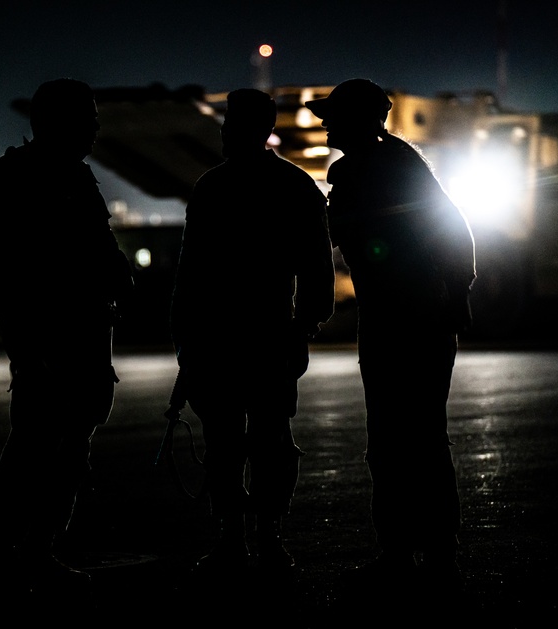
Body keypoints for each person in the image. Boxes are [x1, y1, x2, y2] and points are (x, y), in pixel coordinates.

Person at [305, 79, 476, 590]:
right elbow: (455, 231)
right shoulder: (401, 164)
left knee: (396, 439)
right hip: (418, 319)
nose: (326, 124)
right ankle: (431, 553)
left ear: (359, 120)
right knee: (421, 437)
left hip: (398, 323)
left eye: (333, 116)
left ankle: (406, 553)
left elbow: (340, 236)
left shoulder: (363, 172)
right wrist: (457, 295)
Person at [0, 78, 134, 590]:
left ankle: (40, 548)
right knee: (33, 443)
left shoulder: (77, 177)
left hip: (85, 331)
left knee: (72, 445)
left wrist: (118, 275)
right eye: (87, 120)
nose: (94, 130)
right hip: (42, 333)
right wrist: (22, 340)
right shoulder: (11, 178)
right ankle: (2, 549)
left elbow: (100, 244)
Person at [170, 88, 336, 574]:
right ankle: (263, 538)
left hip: (230, 341)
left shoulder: (213, 187)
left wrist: (185, 339)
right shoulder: (294, 186)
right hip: (264, 339)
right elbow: (317, 270)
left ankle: (240, 539)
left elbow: (191, 273)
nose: (223, 133)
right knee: (264, 443)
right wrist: (305, 325)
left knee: (234, 444)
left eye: (230, 125)